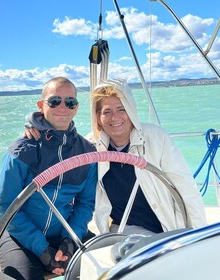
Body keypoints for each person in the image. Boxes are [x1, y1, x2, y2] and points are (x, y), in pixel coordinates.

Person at [26, 78, 206, 236]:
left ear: (131, 111)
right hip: (124, 231)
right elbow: (59, 146)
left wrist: (199, 235)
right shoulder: (90, 147)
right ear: (98, 118)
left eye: (121, 109)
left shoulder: (156, 138)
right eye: (106, 111)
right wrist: (34, 125)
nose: (115, 117)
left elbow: (186, 188)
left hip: (168, 228)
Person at [0, 77, 97, 280]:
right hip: (19, 237)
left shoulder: (87, 153)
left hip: (66, 232)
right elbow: (6, 206)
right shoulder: (22, 150)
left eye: (70, 102)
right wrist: (42, 249)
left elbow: (85, 204)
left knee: (111, 263)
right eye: (54, 101)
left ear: (75, 108)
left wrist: (70, 240)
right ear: (41, 106)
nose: (63, 107)